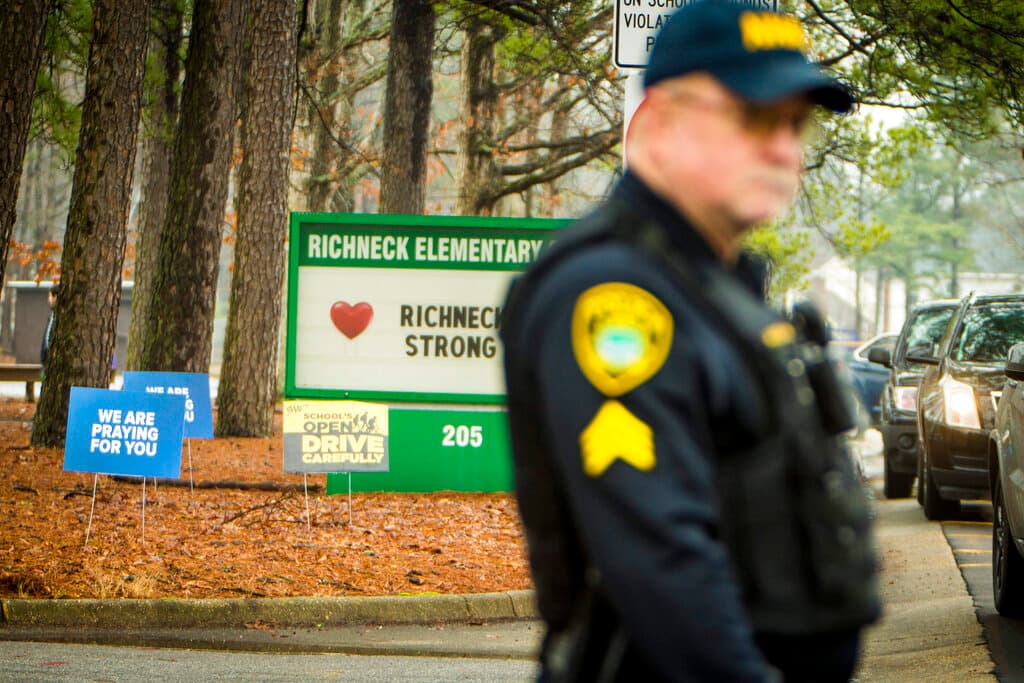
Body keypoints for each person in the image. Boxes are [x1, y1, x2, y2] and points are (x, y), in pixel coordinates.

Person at [499, 2, 880, 681]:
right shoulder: (613, 296)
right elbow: (662, 565)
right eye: (753, 117)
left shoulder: (713, 286)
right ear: (659, 126)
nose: (783, 148)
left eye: (794, 123)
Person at [40, 283, 60, 370]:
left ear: (55, 297)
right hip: (47, 358)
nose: (49, 299)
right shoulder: (52, 314)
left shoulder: (59, 316)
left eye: (50, 296)